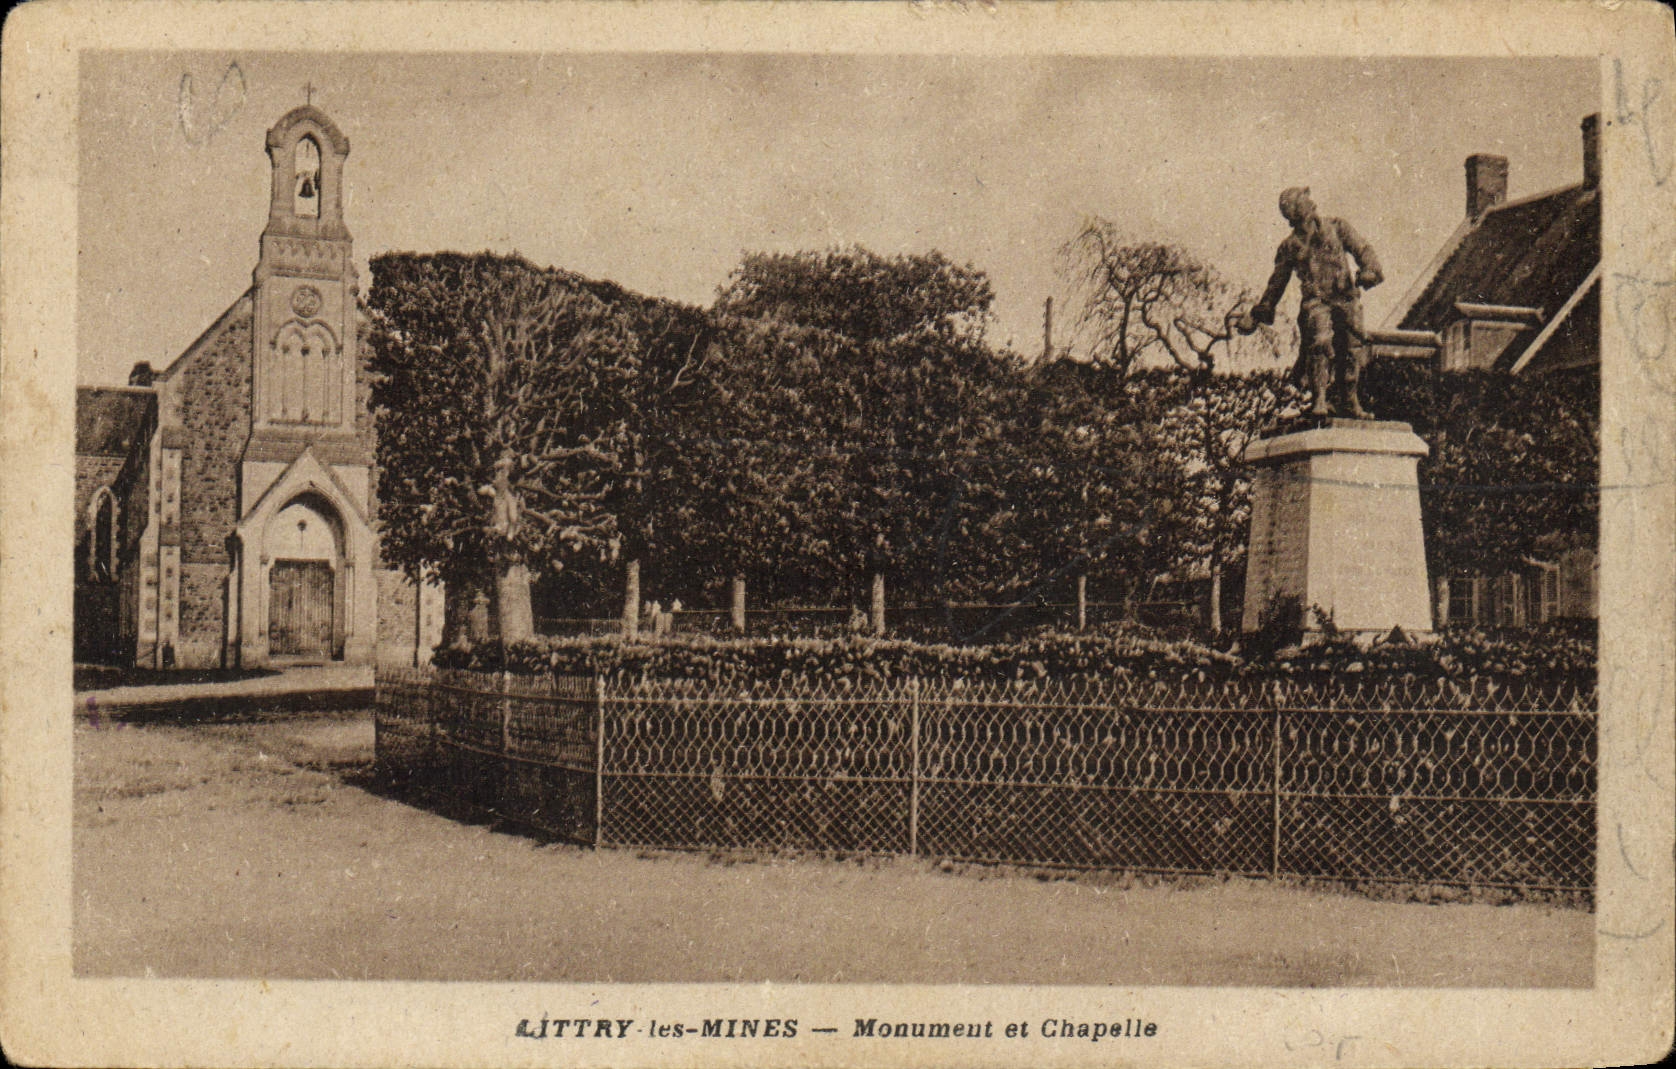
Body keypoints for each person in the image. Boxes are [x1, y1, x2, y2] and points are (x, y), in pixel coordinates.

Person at [1236, 187, 1383, 419]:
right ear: (1293, 211)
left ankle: (1350, 401)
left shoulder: (1337, 227)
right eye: (1305, 201)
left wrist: (1370, 270)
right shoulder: (1290, 246)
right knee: (1320, 342)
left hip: (1346, 296)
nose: (1313, 203)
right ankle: (1320, 400)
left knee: (1353, 347)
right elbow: (1276, 283)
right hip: (1316, 301)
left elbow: (1363, 249)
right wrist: (1256, 315)